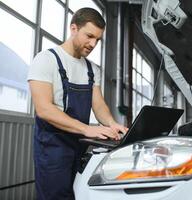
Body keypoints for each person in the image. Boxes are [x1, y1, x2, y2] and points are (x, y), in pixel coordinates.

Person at [28, 7, 128, 200]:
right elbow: (44, 109)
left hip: (80, 147)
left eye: (98, 40)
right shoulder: (46, 60)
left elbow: (98, 105)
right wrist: (87, 129)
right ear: (73, 28)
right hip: (52, 148)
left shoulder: (92, 69)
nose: (93, 44)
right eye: (89, 36)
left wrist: (111, 123)